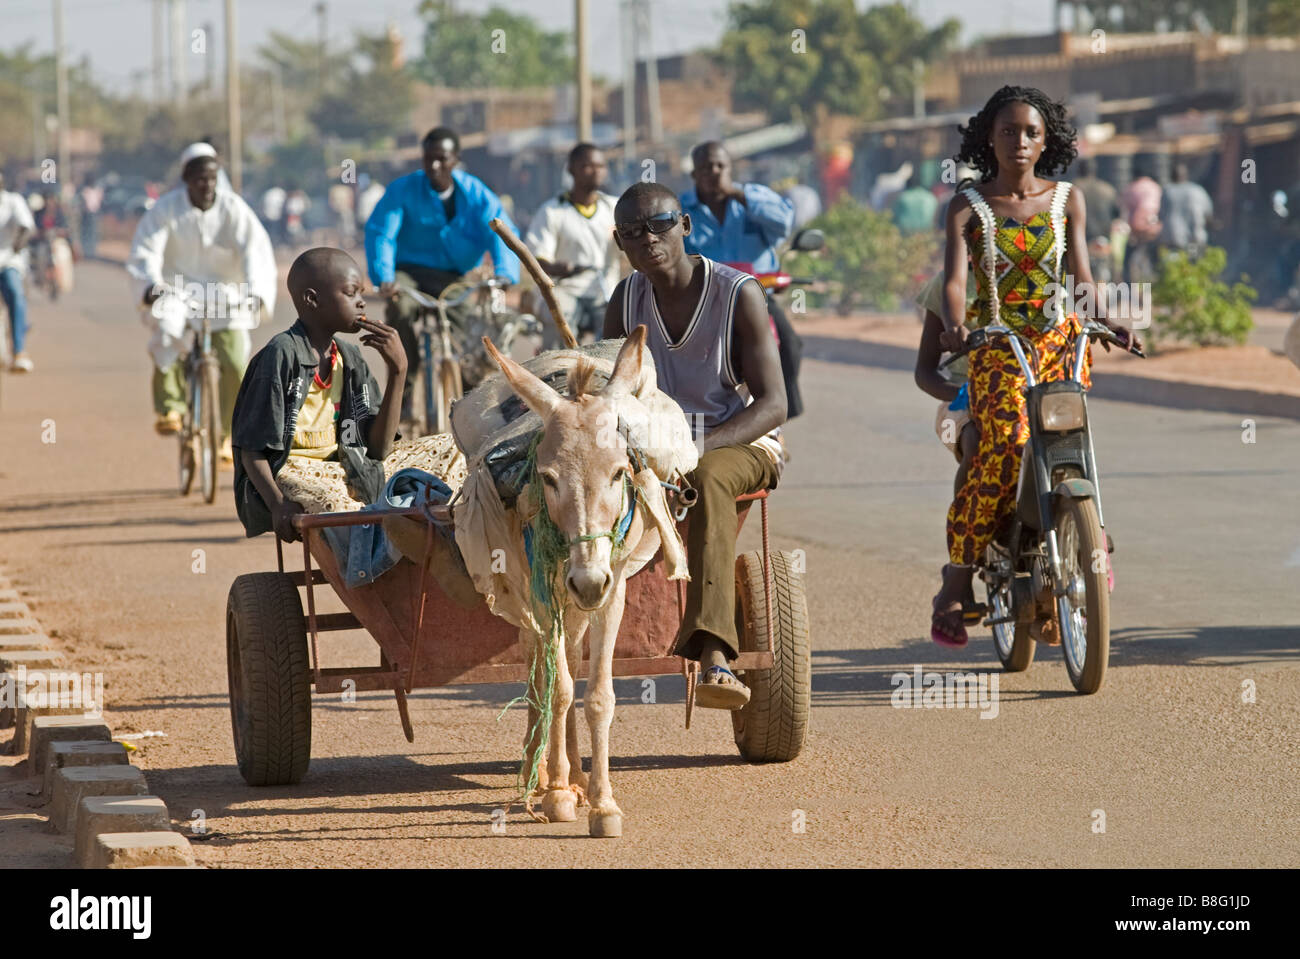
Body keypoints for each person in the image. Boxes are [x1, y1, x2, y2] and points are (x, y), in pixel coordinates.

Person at [930, 85, 1143, 647]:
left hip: (1058, 342)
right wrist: (957, 326)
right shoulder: (967, 206)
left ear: (1046, 141)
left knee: (1068, 439)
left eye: (1031, 133)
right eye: (1008, 132)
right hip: (997, 347)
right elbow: (955, 282)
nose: (1019, 143)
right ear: (989, 139)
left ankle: (1082, 539)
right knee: (1007, 445)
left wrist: (1109, 321)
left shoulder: (1066, 199)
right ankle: (956, 578)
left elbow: (1083, 281)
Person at [603, 182, 787, 709]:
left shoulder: (738, 294)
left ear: (685, 225)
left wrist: (695, 450)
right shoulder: (625, 300)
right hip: (650, 447)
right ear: (621, 244)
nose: (649, 238)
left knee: (706, 482)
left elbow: (774, 404)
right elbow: (607, 389)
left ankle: (714, 656)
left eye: (660, 224)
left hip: (735, 443)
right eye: (634, 232)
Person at [232, 248, 464, 539]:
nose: (362, 302)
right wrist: (278, 504)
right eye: (352, 293)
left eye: (361, 293)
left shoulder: (349, 358)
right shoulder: (281, 355)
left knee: (454, 451)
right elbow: (250, 449)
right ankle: (371, 575)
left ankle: (433, 546)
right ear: (312, 299)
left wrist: (398, 370)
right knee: (344, 511)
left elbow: (379, 450)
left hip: (349, 464)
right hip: (295, 471)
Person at [126, 143, 277, 458]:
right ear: (187, 179)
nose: (206, 185)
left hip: (225, 292)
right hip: (176, 289)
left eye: (212, 177)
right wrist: (151, 285)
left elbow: (256, 253)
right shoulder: (165, 209)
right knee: (167, 332)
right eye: (199, 178)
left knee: (236, 363)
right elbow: (146, 250)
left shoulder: (234, 209)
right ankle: (170, 407)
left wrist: (256, 290)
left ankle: (225, 435)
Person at [365, 126, 522, 418]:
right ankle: (406, 390)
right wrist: (384, 277)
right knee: (401, 309)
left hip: (455, 277)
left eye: (442, 158)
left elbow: (502, 232)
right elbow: (380, 233)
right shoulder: (403, 189)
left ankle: (471, 401)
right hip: (409, 274)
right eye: (428, 159)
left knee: (470, 333)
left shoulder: (475, 193)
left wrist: (505, 274)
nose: (434, 166)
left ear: (455, 160)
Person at [680, 140, 803, 419]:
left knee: (790, 346)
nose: (714, 171)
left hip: (756, 298)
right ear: (694, 175)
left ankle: (780, 413)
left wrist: (739, 194)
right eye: (706, 167)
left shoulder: (754, 198)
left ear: (730, 169)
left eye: (720, 165)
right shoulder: (681, 208)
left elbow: (784, 222)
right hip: (706, 301)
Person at [914, 268, 983, 625]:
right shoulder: (949, 285)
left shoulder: (1043, 272)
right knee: (976, 440)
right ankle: (961, 567)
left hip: (1029, 394)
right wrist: (965, 397)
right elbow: (925, 373)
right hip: (960, 403)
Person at [524, 143, 621, 346]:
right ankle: (555, 371)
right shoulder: (552, 211)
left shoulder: (615, 208)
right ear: (571, 170)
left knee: (620, 327)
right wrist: (557, 268)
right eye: (587, 165)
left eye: (601, 166)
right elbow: (537, 258)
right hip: (566, 289)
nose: (596, 171)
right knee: (559, 317)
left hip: (604, 290)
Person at [0, 171, 36, 373]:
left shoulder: (12, 202)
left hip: (7, 261)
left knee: (15, 295)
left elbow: (26, 226)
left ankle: (19, 351)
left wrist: (17, 245)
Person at [1159, 161, 1213, 260]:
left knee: (1174, 269)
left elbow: (1161, 215)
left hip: (1172, 239)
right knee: (1195, 266)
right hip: (1195, 239)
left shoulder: (1167, 191)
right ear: (1186, 175)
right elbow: (1208, 214)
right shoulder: (1197, 190)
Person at [1122, 165, 1163, 282]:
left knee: (1127, 261)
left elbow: (1126, 211)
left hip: (1137, 230)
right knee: (1157, 260)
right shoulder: (1155, 187)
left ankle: (1128, 287)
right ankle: (1159, 281)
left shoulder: (1131, 188)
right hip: (1155, 231)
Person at [892, 170, 939, 236]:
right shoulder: (930, 197)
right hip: (926, 235)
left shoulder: (903, 197)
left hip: (905, 235)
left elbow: (894, 218)